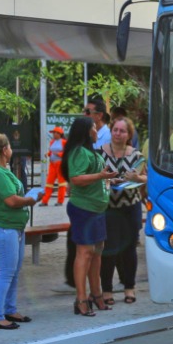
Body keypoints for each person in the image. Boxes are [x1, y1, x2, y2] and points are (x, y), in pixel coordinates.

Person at [0, 133, 37, 330]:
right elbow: (11, 201)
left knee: (13, 272)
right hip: (3, 228)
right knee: (5, 273)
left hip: (14, 228)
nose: (11, 149)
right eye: (10, 146)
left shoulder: (4, 171)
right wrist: (30, 200)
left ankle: (9, 309)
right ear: (5, 150)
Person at [62, 116, 117, 316]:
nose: (97, 130)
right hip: (84, 209)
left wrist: (109, 179)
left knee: (96, 253)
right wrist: (101, 176)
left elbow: (94, 177)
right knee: (84, 253)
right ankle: (81, 299)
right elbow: (76, 179)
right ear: (87, 131)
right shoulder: (79, 152)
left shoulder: (91, 152)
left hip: (97, 210)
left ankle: (96, 295)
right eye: (94, 127)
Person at [99, 117, 146, 306]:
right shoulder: (99, 153)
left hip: (130, 206)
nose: (118, 134)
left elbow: (148, 179)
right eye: (115, 130)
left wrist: (136, 177)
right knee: (107, 249)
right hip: (108, 207)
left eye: (122, 131)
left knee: (129, 249)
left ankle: (129, 287)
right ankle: (107, 290)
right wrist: (108, 181)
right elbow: (95, 178)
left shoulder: (137, 155)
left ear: (129, 134)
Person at [40, 126, 68, 205]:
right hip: (52, 164)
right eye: (53, 133)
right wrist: (48, 154)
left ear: (59, 134)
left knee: (61, 183)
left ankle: (60, 201)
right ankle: (45, 201)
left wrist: (59, 154)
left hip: (60, 164)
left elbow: (67, 153)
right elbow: (51, 151)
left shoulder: (64, 142)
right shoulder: (52, 142)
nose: (53, 134)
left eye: (55, 133)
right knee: (49, 182)